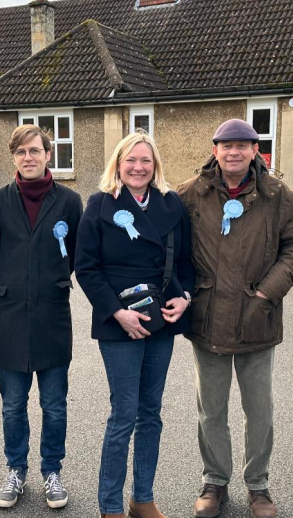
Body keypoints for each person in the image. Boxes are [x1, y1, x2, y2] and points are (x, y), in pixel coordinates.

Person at [177, 119, 293, 518]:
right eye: (227, 145)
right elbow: (169, 245)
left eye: (243, 145)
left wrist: (266, 293)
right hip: (207, 320)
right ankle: (214, 482)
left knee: (260, 410)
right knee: (211, 409)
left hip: (258, 317)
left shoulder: (277, 195)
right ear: (215, 149)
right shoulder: (191, 194)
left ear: (256, 151)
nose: (234, 152)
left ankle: (259, 486)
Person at [75, 131, 194, 518]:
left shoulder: (171, 204)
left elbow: (185, 264)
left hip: (160, 320)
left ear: (155, 164)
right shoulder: (98, 204)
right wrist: (117, 312)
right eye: (131, 160)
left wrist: (185, 296)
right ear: (118, 164)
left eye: (145, 160)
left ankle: (142, 499)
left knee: (151, 413)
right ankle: (110, 506)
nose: (138, 167)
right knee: (123, 414)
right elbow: (86, 267)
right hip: (118, 322)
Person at [0, 125, 83, 509]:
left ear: (48, 155)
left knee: (54, 404)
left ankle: (52, 472)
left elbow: (74, 253)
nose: (29, 157)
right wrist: (18, 281)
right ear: (14, 157)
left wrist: (47, 282)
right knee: (12, 404)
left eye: (35, 151)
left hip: (53, 316)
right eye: (21, 152)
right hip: (9, 317)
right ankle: (16, 470)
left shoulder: (70, 202)